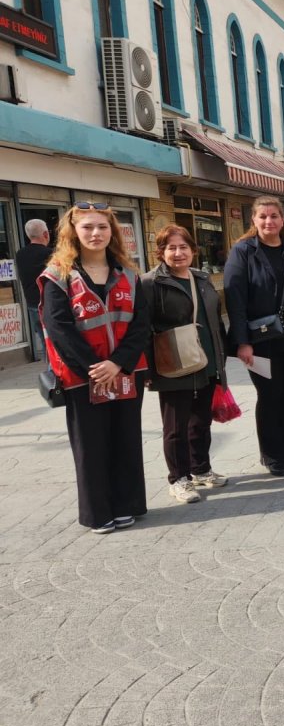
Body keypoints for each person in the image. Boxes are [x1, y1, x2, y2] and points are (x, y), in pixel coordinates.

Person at [40, 202, 150, 534]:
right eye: (87, 227)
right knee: (91, 446)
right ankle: (98, 513)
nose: (95, 233)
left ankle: (127, 505)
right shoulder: (57, 275)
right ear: (73, 231)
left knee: (126, 440)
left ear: (112, 232)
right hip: (82, 376)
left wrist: (117, 363)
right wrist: (95, 368)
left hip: (125, 371)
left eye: (102, 227)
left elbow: (141, 325)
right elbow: (59, 328)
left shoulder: (128, 274)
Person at [224, 195, 284, 477]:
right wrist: (242, 342)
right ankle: (272, 454)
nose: (269, 221)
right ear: (253, 219)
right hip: (261, 341)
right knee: (269, 395)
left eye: (274, 216)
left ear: (282, 219)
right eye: (262, 216)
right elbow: (235, 298)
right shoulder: (243, 251)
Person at [142, 225, 229, 503]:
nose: (178, 253)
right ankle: (178, 479)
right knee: (175, 427)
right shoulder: (150, 283)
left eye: (183, 247)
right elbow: (141, 328)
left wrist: (222, 355)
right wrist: (146, 368)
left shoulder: (201, 278)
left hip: (206, 360)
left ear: (193, 250)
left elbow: (215, 319)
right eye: (171, 248)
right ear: (161, 252)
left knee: (201, 421)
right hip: (172, 363)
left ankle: (201, 469)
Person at [15, 218, 51, 359]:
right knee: (56, 343)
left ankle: (50, 369)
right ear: (45, 234)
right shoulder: (49, 254)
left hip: (32, 304)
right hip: (49, 304)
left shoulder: (20, 254)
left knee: (44, 341)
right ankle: (54, 370)